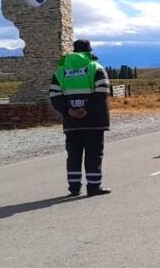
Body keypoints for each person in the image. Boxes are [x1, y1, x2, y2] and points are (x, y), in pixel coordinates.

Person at [48, 39, 112, 197]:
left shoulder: (60, 71)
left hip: (71, 122)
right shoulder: (95, 67)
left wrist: (69, 110)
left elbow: (54, 95)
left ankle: (74, 188)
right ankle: (94, 187)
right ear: (89, 51)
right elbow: (102, 92)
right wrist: (86, 109)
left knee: (73, 155)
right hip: (94, 121)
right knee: (94, 154)